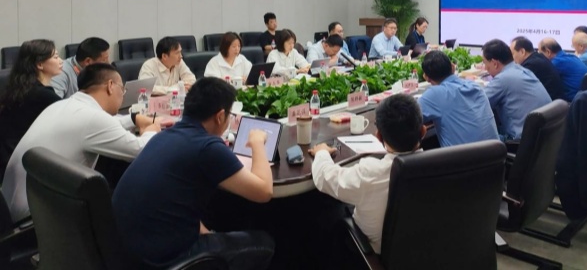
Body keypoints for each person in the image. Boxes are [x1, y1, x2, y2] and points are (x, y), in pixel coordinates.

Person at [112, 78, 274, 269]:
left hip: (124, 253)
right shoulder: (207, 147)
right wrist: (257, 142)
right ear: (220, 116)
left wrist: (208, 234)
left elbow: (177, 200)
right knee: (264, 243)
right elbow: (264, 191)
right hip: (162, 259)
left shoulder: (163, 136)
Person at [2, 63, 160, 223]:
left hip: (17, 207)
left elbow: (101, 126)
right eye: (122, 89)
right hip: (35, 218)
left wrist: (133, 119)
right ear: (110, 86)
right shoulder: (92, 118)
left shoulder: (65, 105)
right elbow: (141, 151)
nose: (123, 95)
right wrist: (152, 129)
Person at [309, 94, 425, 254]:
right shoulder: (440, 167)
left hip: (376, 255)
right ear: (423, 131)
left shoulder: (371, 173)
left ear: (378, 136)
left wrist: (322, 152)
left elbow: (325, 178)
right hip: (422, 253)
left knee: (330, 214)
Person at [0, 40, 63, 182]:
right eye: (55, 57)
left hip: (10, 156)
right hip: (19, 164)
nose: (61, 61)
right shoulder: (42, 95)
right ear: (40, 65)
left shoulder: (19, 87)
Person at [418, 51, 499, 147]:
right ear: (453, 67)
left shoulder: (434, 95)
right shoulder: (475, 86)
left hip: (464, 156)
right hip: (497, 153)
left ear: (427, 77)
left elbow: (409, 117)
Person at [482, 39, 551, 141]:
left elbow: (477, 104)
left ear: (495, 63)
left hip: (520, 142)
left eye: (485, 63)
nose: (485, 68)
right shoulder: (523, 70)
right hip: (544, 138)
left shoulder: (503, 79)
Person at [510, 36, 565, 101]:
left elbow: (516, 89)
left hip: (548, 104)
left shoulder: (531, 65)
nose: (511, 58)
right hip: (553, 103)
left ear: (522, 52)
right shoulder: (538, 58)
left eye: (512, 54)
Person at [538, 37, 587, 102]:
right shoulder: (571, 57)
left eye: (540, 53)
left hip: (572, 101)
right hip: (584, 97)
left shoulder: (556, 62)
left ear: (548, 52)